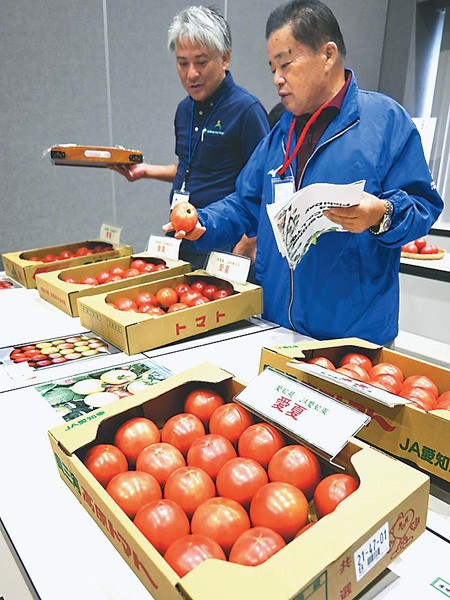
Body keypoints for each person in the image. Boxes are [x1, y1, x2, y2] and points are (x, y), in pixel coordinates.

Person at [163, 0, 443, 346]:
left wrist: (381, 214)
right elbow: (244, 203)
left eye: (286, 64)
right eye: (272, 68)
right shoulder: (281, 133)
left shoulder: (384, 121)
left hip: (352, 338)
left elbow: (424, 206)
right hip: (279, 326)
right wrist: (205, 222)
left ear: (327, 55)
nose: (277, 79)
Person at [112, 6, 269, 270]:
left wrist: (248, 242)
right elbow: (190, 169)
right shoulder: (184, 110)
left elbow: (265, 185)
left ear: (225, 58)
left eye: (201, 62)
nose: (191, 74)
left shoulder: (247, 111)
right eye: (183, 63)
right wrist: (146, 171)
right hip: (181, 239)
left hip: (226, 248)